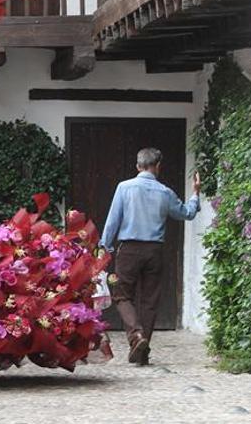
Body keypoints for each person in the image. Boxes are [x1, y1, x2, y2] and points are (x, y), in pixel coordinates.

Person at [100, 147, 201, 366]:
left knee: (121, 295)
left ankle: (136, 335)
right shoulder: (165, 192)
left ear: (137, 166)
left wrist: (104, 247)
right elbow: (187, 213)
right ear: (158, 166)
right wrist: (195, 193)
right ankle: (142, 353)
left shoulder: (124, 188)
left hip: (129, 250)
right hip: (154, 251)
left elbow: (113, 221)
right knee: (150, 301)